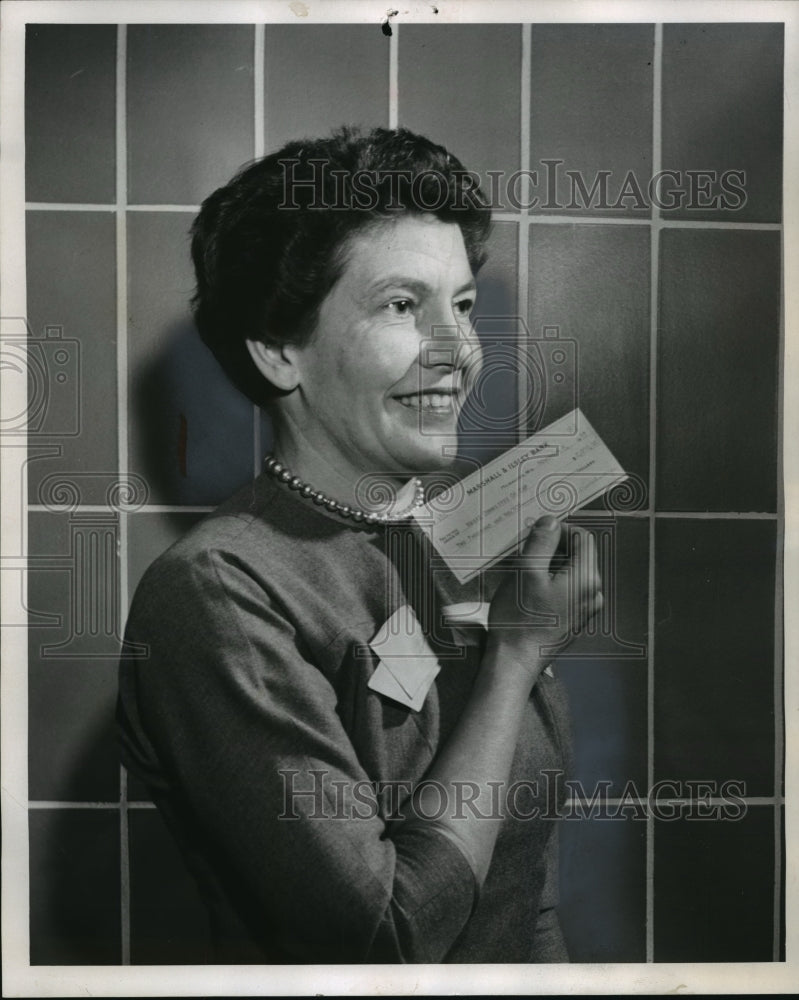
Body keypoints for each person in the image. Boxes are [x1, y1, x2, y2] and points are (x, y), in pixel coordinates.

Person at [117, 126, 603, 964]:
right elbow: (388, 937)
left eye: (461, 304)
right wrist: (515, 659)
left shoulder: (469, 541)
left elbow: (525, 897)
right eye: (400, 305)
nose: (456, 352)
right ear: (278, 350)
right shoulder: (218, 590)